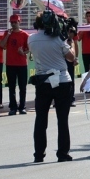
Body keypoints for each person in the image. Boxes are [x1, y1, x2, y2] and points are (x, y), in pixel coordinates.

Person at [28, 12, 76, 163]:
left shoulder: (31, 39)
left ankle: (38, 154)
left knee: (41, 119)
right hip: (62, 80)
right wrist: (70, 41)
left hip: (43, 81)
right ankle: (62, 153)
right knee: (62, 120)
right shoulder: (59, 40)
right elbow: (71, 57)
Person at [0, 14, 30, 115]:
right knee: (11, 87)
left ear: (19, 22)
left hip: (22, 64)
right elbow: (2, 45)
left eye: (15, 22)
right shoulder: (7, 33)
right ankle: (13, 107)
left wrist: (23, 53)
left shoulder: (24, 34)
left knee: (22, 87)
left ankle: (22, 106)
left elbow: (28, 49)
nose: (13, 24)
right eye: (12, 22)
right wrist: (8, 35)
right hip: (10, 64)